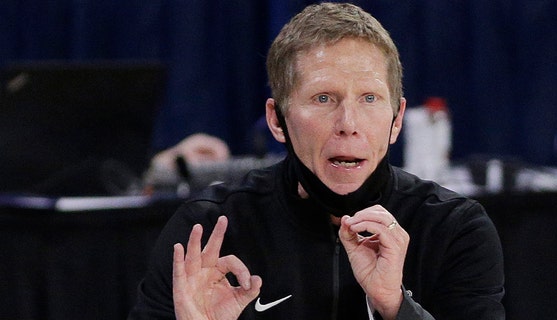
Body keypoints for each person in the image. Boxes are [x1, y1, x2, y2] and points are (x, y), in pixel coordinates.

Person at [129, 3, 504, 319]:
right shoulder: (208, 232)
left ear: (397, 120)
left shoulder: (455, 229)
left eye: (369, 99)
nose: (348, 124)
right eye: (324, 98)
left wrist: (395, 306)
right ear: (277, 120)